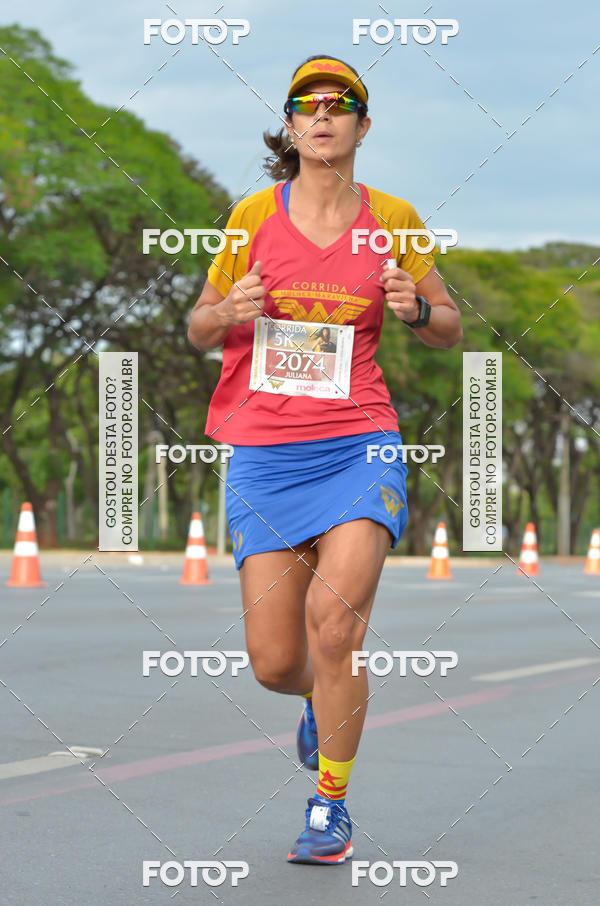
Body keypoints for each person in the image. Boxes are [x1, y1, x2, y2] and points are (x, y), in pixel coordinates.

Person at [187, 54, 462, 866]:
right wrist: (227, 310)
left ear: (361, 126)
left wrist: (418, 310)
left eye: (341, 105)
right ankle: (317, 700)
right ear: (292, 125)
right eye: (307, 104)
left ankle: (328, 806)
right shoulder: (249, 217)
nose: (323, 114)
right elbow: (200, 325)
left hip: (359, 443)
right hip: (267, 453)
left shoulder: (396, 219)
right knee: (277, 662)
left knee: (335, 628)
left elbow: (449, 322)